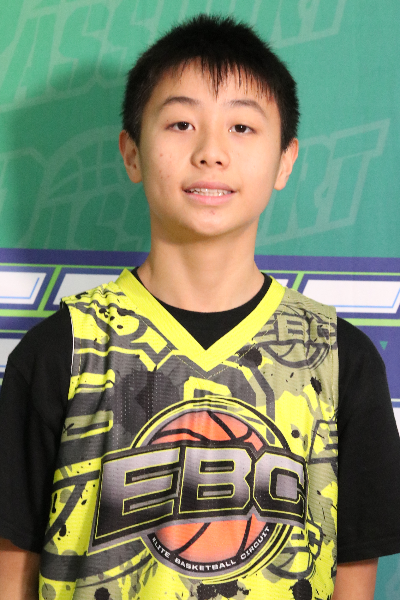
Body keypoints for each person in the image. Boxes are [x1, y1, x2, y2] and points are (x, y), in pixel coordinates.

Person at [1, 14, 400, 600]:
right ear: (132, 153)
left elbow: (353, 578)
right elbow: (13, 569)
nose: (211, 152)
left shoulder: (339, 358)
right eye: (182, 123)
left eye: (242, 126)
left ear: (285, 159)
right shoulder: (63, 349)